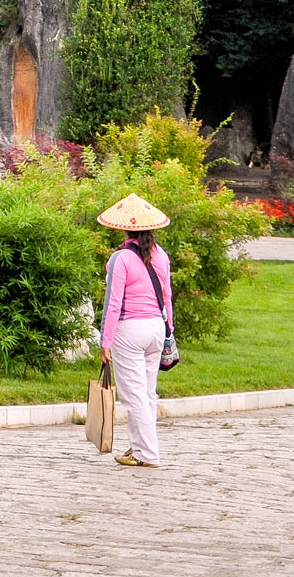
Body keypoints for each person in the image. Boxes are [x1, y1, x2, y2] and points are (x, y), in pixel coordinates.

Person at [97, 193, 174, 468]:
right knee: (148, 393)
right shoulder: (161, 255)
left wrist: (105, 342)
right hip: (156, 328)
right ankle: (139, 447)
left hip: (129, 331)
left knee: (134, 396)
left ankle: (147, 454)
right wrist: (169, 331)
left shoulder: (120, 258)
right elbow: (167, 296)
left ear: (125, 228)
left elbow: (112, 303)